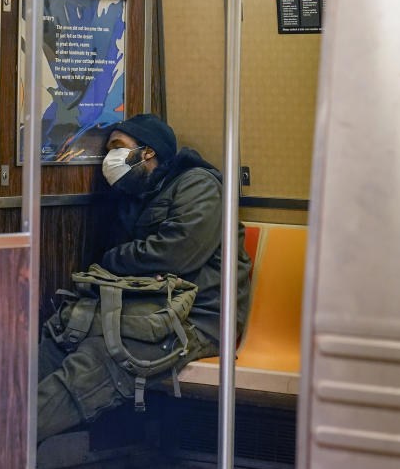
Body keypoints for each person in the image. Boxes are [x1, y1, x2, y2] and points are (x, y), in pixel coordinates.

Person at [37, 113, 253, 442]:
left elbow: (176, 254)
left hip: (200, 317)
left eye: (119, 147)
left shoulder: (199, 185)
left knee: (102, 356)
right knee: (62, 334)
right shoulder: (135, 195)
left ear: (147, 153)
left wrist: (117, 259)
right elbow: (134, 258)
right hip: (144, 309)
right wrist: (128, 259)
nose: (111, 158)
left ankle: (1, 441)